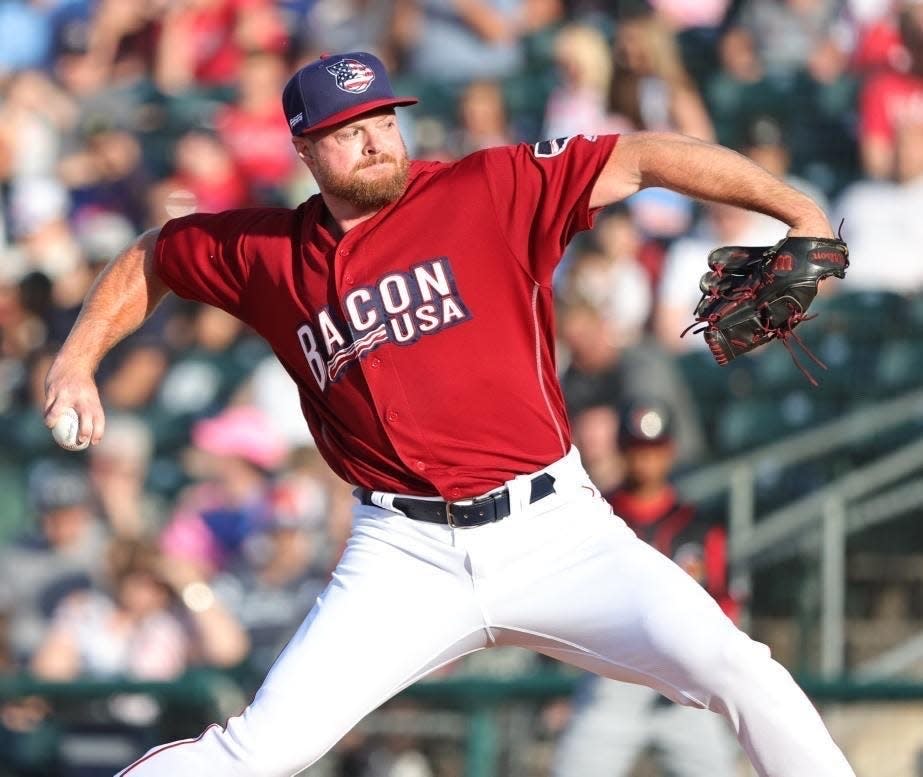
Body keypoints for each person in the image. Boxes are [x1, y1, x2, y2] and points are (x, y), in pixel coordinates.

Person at [43, 50, 855, 777]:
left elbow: (640, 156)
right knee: (262, 750)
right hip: (403, 553)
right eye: (344, 129)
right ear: (302, 148)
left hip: (556, 530)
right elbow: (154, 253)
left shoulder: (487, 189)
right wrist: (77, 358)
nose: (372, 139)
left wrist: (797, 211)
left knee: (740, 669)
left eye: (380, 119)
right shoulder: (268, 253)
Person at [552, 400, 739, 777]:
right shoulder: (594, 516)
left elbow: (725, 606)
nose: (646, 461)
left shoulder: (698, 527)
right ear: (622, 451)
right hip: (612, 682)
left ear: (670, 451)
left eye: (654, 450)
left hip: (685, 688)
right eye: (638, 450)